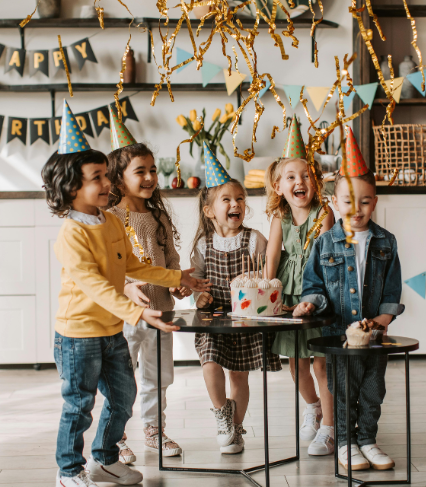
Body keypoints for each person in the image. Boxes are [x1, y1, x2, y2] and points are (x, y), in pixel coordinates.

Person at [43, 101, 209, 487]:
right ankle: (69, 470)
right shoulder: (73, 233)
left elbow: (131, 264)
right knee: (79, 405)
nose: (107, 184)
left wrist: (174, 276)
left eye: (106, 175)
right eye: (97, 177)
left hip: (109, 331)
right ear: (71, 187)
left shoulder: (108, 221)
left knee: (123, 396)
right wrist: (137, 313)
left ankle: (105, 459)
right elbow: (95, 284)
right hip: (78, 334)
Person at [293, 126, 404, 472]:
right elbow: (314, 283)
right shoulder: (325, 243)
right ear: (334, 203)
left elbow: (391, 289)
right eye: (347, 201)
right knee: (342, 391)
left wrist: (382, 321)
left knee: (373, 390)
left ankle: (367, 439)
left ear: (375, 201)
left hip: (374, 338)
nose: (356, 208)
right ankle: (345, 442)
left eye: (365, 200)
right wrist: (311, 302)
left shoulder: (386, 242)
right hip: (340, 336)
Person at [105, 108, 188, 463]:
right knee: (121, 379)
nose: (151, 176)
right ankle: (116, 437)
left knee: (159, 375)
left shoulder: (158, 216)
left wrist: (180, 283)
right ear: (118, 179)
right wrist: (125, 287)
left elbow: (170, 259)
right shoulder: (109, 219)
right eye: (140, 171)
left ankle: (154, 430)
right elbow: (108, 265)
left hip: (161, 310)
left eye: (153, 169)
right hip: (125, 314)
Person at [191, 142, 282, 455]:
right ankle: (221, 416)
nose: (236, 204)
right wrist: (199, 296)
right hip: (214, 318)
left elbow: (267, 275)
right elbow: (197, 282)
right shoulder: (203, 244)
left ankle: (236, 427)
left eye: (240, 199)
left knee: (239, 375)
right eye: (226, 199)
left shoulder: (254, 239)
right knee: (210, 362)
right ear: (209, 210)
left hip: (246, 316)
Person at [264, 116, 335, 455]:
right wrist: (266, 292)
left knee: (321, 362)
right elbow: (272, 256)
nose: (300, 181)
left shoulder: (325, 213)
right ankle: (313, 406)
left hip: (317, 296)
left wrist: (313, 296)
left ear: (315, 182)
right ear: (279, 187)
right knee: (295, 363)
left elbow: (322, 258)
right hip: (287, 298)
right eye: (291, 177)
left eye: (306, 175)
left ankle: (329, 427)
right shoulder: (280, 217)